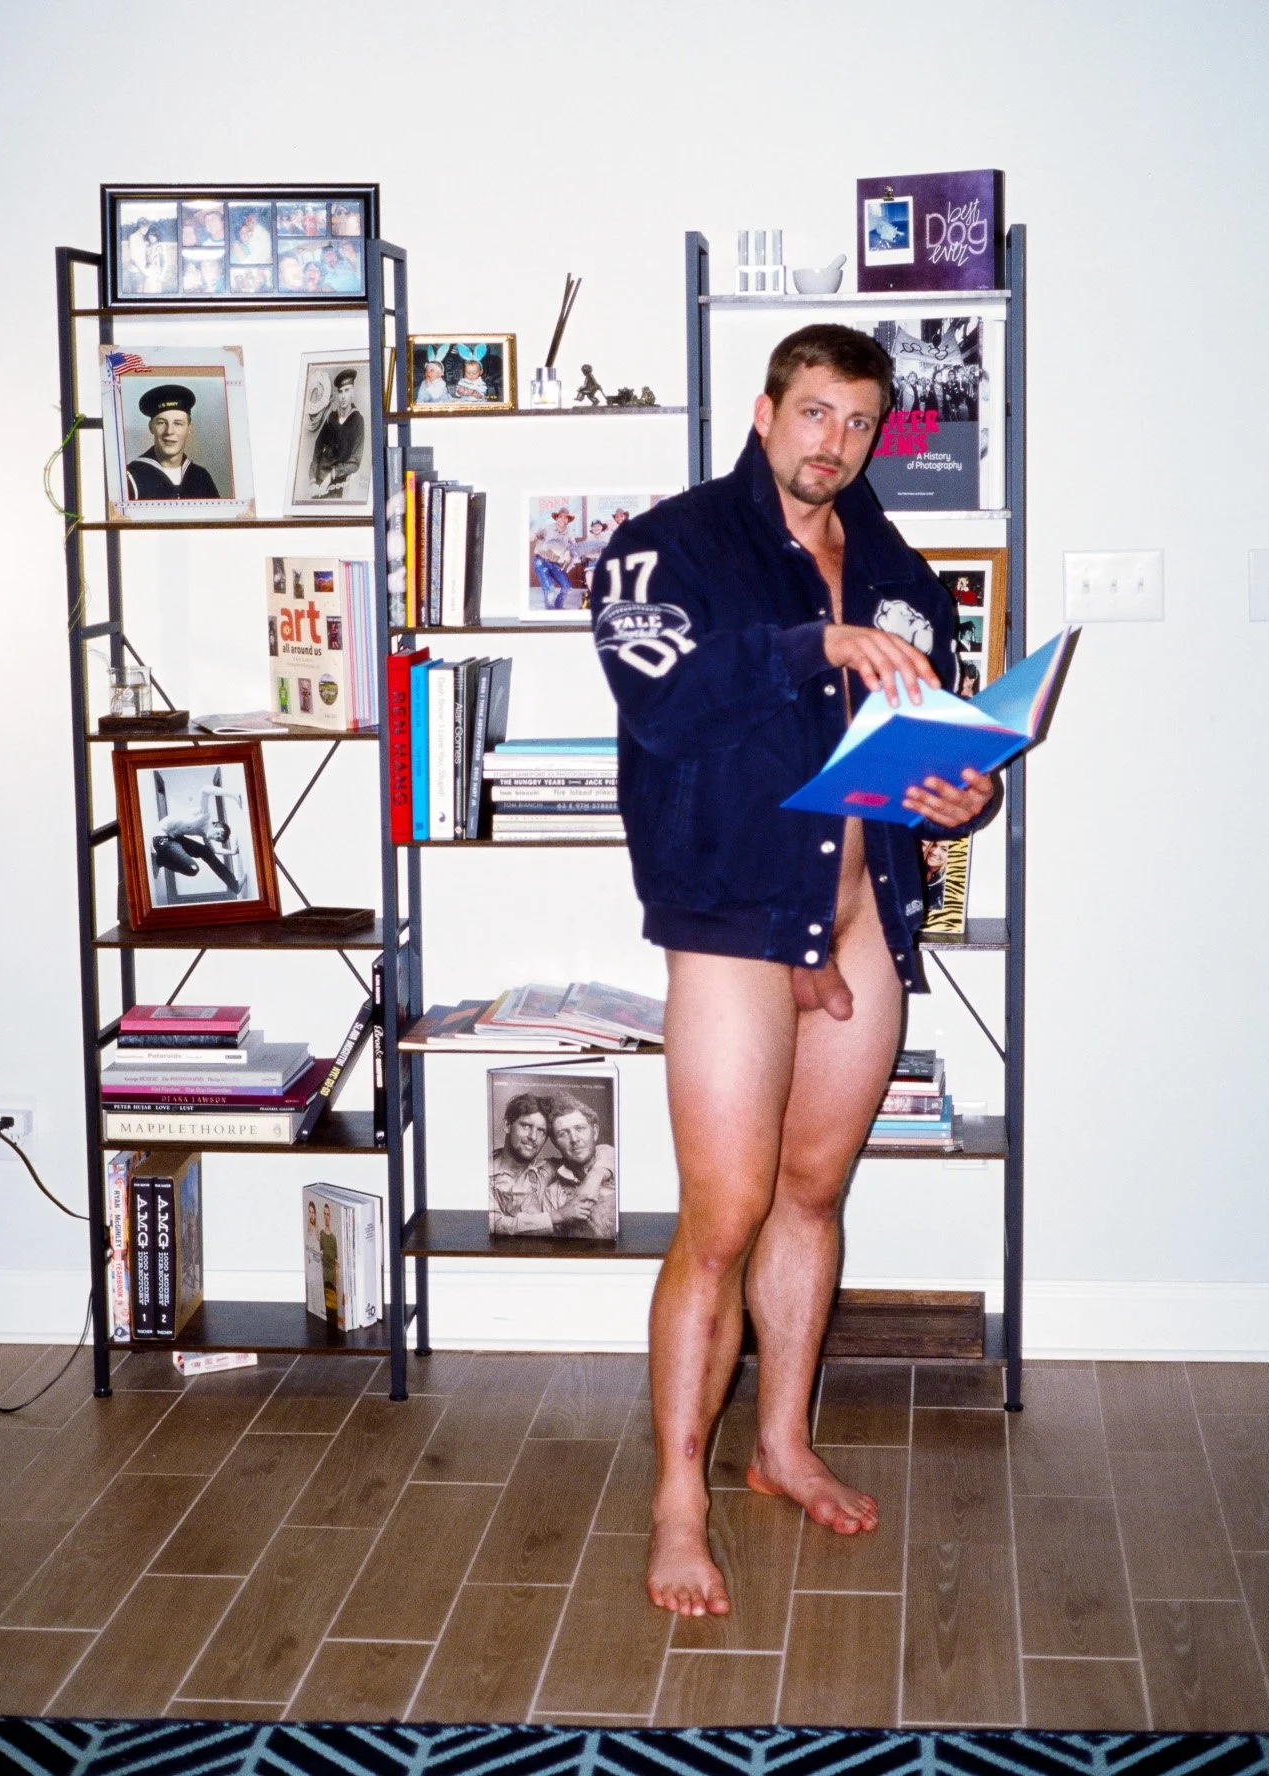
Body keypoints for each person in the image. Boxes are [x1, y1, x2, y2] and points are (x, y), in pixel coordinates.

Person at [591, 322, 998, 1618]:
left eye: (859, 422)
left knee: (810, 1197)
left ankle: (778, 1447)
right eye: (814, 413)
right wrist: (806, 648)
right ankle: (674, 1500)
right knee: (719, 1219)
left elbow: (935, 744)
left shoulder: (897, 573)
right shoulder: (669, 543)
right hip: (730, 917)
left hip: (862, 913)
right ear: (765, 412)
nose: (836, 443)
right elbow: (661, 696)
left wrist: (958, 793)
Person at [126, 383, 221, 500]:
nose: (169, 431)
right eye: (161, 422)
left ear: (189, 429)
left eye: (178, 423)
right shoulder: (131, 477)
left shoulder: (201, 477)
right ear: (151, 427)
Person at [543, 1094, 617, 1238]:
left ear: (594, 1132)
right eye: (563, 1133)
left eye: (580, 1128)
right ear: (555, 1143)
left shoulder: (620, 1165)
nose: (574, 1139)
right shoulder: (552, 1194)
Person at [489, 1093, 558, 1234]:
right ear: (507, 1125)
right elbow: (492, 1225)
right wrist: (558, 1216)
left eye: (541, 1131)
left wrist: (597, 1174)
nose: (533, 1137)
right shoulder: (481, 1172)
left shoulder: (546, 1170)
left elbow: (598, 1154)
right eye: (526, 1126)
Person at [309, 367, 365, 496]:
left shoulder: (358, 420)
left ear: (353, 392)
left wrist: (331, 476)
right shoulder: (331, 417)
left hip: (335, 484)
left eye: (347, 390)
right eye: (340, 392)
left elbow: (355, 462)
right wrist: (312, 480)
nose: (343, 396)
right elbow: (317, 449)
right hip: (318, 482)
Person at [532, 506, 580, 609]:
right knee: (550, 589)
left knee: (567, 587)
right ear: (557, 518)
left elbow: (574, 549)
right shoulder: (547, 528)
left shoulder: (569, 535)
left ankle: (558, 608)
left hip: (555, 563)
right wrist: (532, 535)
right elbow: (534, 536)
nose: (563, 519)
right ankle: (550, 611)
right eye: (560, 517)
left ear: (568, 520)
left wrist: (569, 552)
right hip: (541, 561)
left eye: (565, 517)